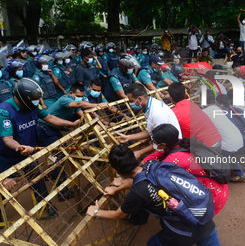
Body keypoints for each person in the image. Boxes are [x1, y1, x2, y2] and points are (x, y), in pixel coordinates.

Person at [86, 143, 220, 246]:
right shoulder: (153, 165)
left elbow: (117, 215)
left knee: (152, 243)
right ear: (134, 156)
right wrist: (118, 188)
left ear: (116, 170)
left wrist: (96, 211)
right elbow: (142, 180)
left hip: (182, 232)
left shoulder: (138, 192)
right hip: (205, 219)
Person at [0, 79, 79, 215]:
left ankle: (45, 205)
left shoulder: (33, 105)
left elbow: (50, 118)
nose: (37, 101)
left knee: (37, 178)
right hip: (7, 156)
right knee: (5, 186)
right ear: (23, 98)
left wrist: (71, 124)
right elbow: (7, 139)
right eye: (34, 99)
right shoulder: (5, 112)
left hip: (28, 151)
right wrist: (20, 147)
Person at [117, 83, 181, 159]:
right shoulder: (149, 105)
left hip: (170, 148)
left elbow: (162, 142)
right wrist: (128, 137)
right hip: (163, 145)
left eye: (131, 101)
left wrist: (140, 152)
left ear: (140, 99)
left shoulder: (157, 113)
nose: (130, 104)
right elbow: (150, 130)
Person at [202, 90, 245, 181]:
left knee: (210, 150)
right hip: (237, 138)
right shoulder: (217, 108)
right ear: (214, 100)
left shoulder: (204, 112)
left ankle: (219, 175)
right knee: (228, 153)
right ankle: (240, 172)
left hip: (229, 142)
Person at [168, 82, 222, 151]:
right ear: (185, 95)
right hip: (218, 140)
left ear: (171, 98)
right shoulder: (193, 104)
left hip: (206, 148)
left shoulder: (173, 113)